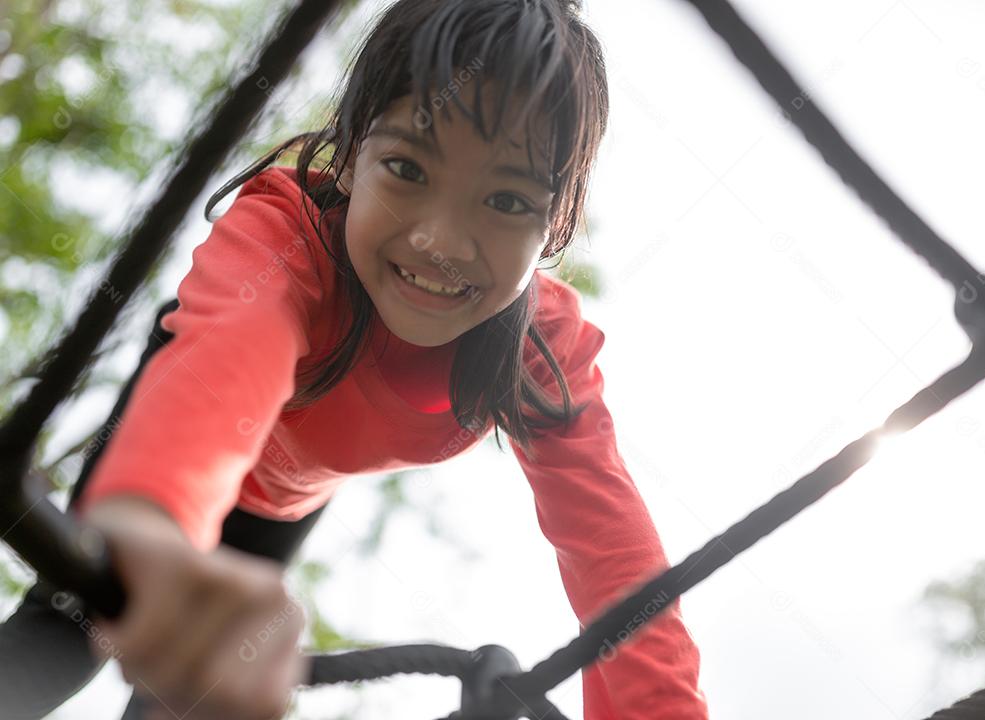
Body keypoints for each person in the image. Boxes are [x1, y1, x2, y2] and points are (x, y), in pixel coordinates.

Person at [0, 0, 710, 718]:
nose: (441, 241)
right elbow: (227, 362)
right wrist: (153, 523)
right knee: (74, 622)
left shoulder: (540, 352)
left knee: (193, 694)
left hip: (282, 506)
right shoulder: (286, 237)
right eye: (406, 167)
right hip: (178, 431)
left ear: (555, 225)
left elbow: (615, 559)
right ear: (349, 156)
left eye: (505, 199)